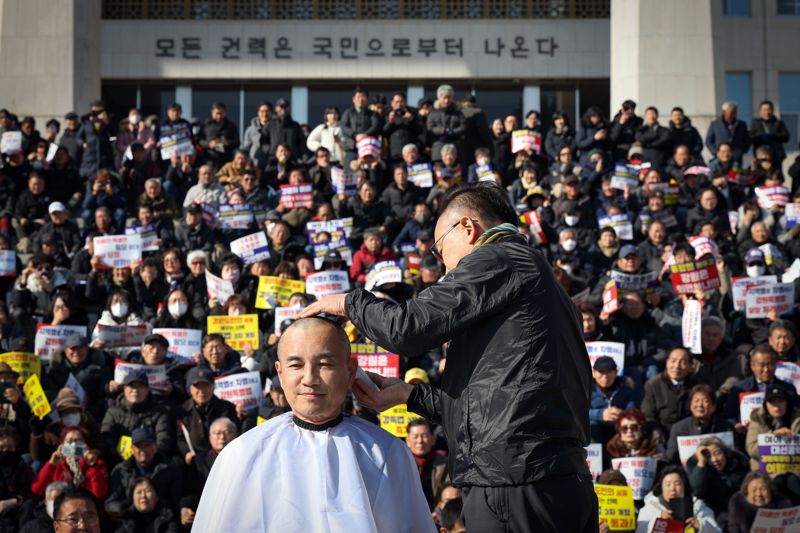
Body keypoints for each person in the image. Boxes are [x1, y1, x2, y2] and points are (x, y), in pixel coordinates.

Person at [301, 184, 597, 532]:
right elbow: (499, 410)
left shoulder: (498, 258)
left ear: (468, 228)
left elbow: (408, 329)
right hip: (556, 481)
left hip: (514, 485)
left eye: (442, 250)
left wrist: (350, 303)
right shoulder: (545, 285)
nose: (444, 269)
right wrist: (409, 395)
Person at [193, 317, 435, 532]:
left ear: (350, 371)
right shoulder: (242, 454)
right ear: (280, 372)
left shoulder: (387, 452)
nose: (309, 379)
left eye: (325, 364)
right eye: (296, 365)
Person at [635, 465, 721, 533]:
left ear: (684, 486)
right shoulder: (650, 507)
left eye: (677, 484)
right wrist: (659, 519)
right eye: (668, 484)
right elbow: (641, 531)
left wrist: (700, 526)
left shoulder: (698, 506)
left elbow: (717, 531)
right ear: (661, 488)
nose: (673, 488)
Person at [727, 472, 793, 533]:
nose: (759, 494)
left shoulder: (782, 503)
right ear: (747, 492)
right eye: (754, 490)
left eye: (763, 489)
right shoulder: (737, 504)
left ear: (770, 490)